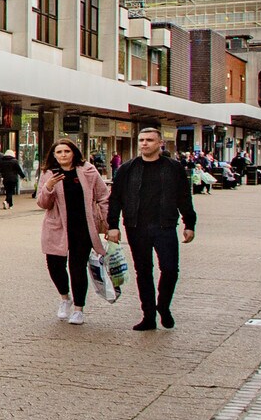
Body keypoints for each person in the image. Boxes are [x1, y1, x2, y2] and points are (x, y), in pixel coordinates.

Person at [104, 126, 195, 331]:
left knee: (170, 269)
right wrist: (113, 226)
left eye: (150, 140)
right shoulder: (127, 169)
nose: (144, 144)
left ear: (160, 143)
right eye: (142, 140)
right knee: (143, 271)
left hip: (165, 225)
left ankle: (163, 306)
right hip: (136, 226)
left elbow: (183, 196)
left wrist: (190, 223)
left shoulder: (174, 168)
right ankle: (148, 315)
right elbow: (115, 198)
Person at [35, 140, 109, 325]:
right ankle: (64, 298)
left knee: (77, 268)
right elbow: (43, 203)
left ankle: (78, 309)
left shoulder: (87, 170)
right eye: (59, 152)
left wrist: (108, 223)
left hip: (82, 227)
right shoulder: (49, 173)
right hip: (56, 226)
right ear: (54, 155)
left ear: (74, 152)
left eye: (67, 151)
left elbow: (103, 196)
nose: (63, 155)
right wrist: (49, 186)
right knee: (55, 265)